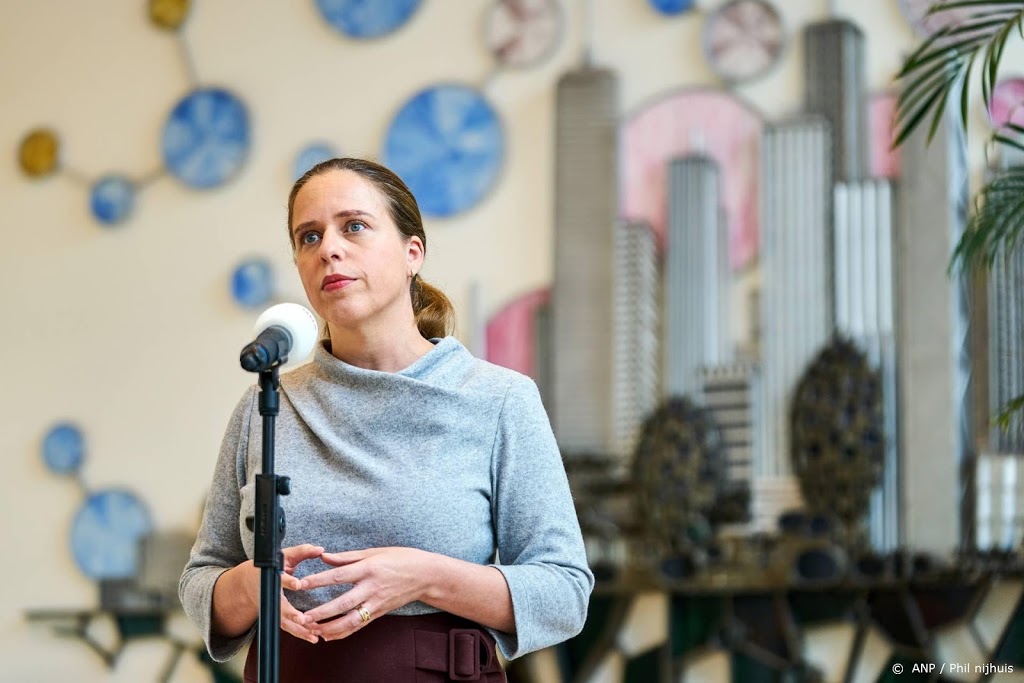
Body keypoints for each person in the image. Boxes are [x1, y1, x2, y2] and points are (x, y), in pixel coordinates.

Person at [179, 157, 594, 682]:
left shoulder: (499, 400)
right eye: (309, 237)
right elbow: (201, 578)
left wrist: (424, 577)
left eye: (353, 226)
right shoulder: (268, 404)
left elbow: (565, 591)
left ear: (411, 253)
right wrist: (249, 587)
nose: (328, 248)